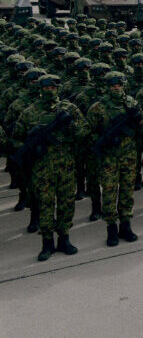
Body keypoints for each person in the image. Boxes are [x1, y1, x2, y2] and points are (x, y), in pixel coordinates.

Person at [13, 74, 90, 262]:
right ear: (40, 89)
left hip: (66, 165)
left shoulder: (69, 109)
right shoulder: (29, 112)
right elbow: (16, 138)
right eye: (46, 88)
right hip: (42, 168)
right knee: (45, 205)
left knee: (66, 203)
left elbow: (85, 130)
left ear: (58, 88)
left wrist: (71, 126)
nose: (49, 91)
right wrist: (32, 147)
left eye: (53, 88)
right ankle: (47, 243)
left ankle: (64, 239)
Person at [87, 71, 143, 247]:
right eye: (113, 85)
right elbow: (86, 133)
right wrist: (103, 141)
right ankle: (111, 228)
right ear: (107, 86)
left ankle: (126, 225)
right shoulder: (98, 107)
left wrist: (138, 120)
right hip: (108, 159)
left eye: (119, 84)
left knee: (127, 191)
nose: (116, 87)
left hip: (128, 156)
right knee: (110, 193)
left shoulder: (132, 105)